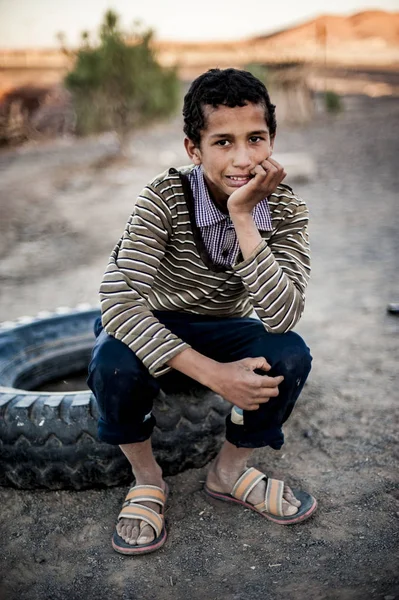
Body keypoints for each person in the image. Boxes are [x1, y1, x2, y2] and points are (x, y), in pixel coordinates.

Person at [88, 68, 317, 556]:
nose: (242, 158)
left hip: (224, 327)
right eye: (222, 142)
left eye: (255, 139)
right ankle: (148, 478)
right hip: (158, 318)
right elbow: (118, 301)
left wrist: (243, 217)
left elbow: (282, 316)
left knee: (290, 354)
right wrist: (215, 375)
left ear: (271, 139)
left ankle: (228, 472)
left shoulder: (286, 209)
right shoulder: (164, 198)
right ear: (193, 148)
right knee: (112, 362)